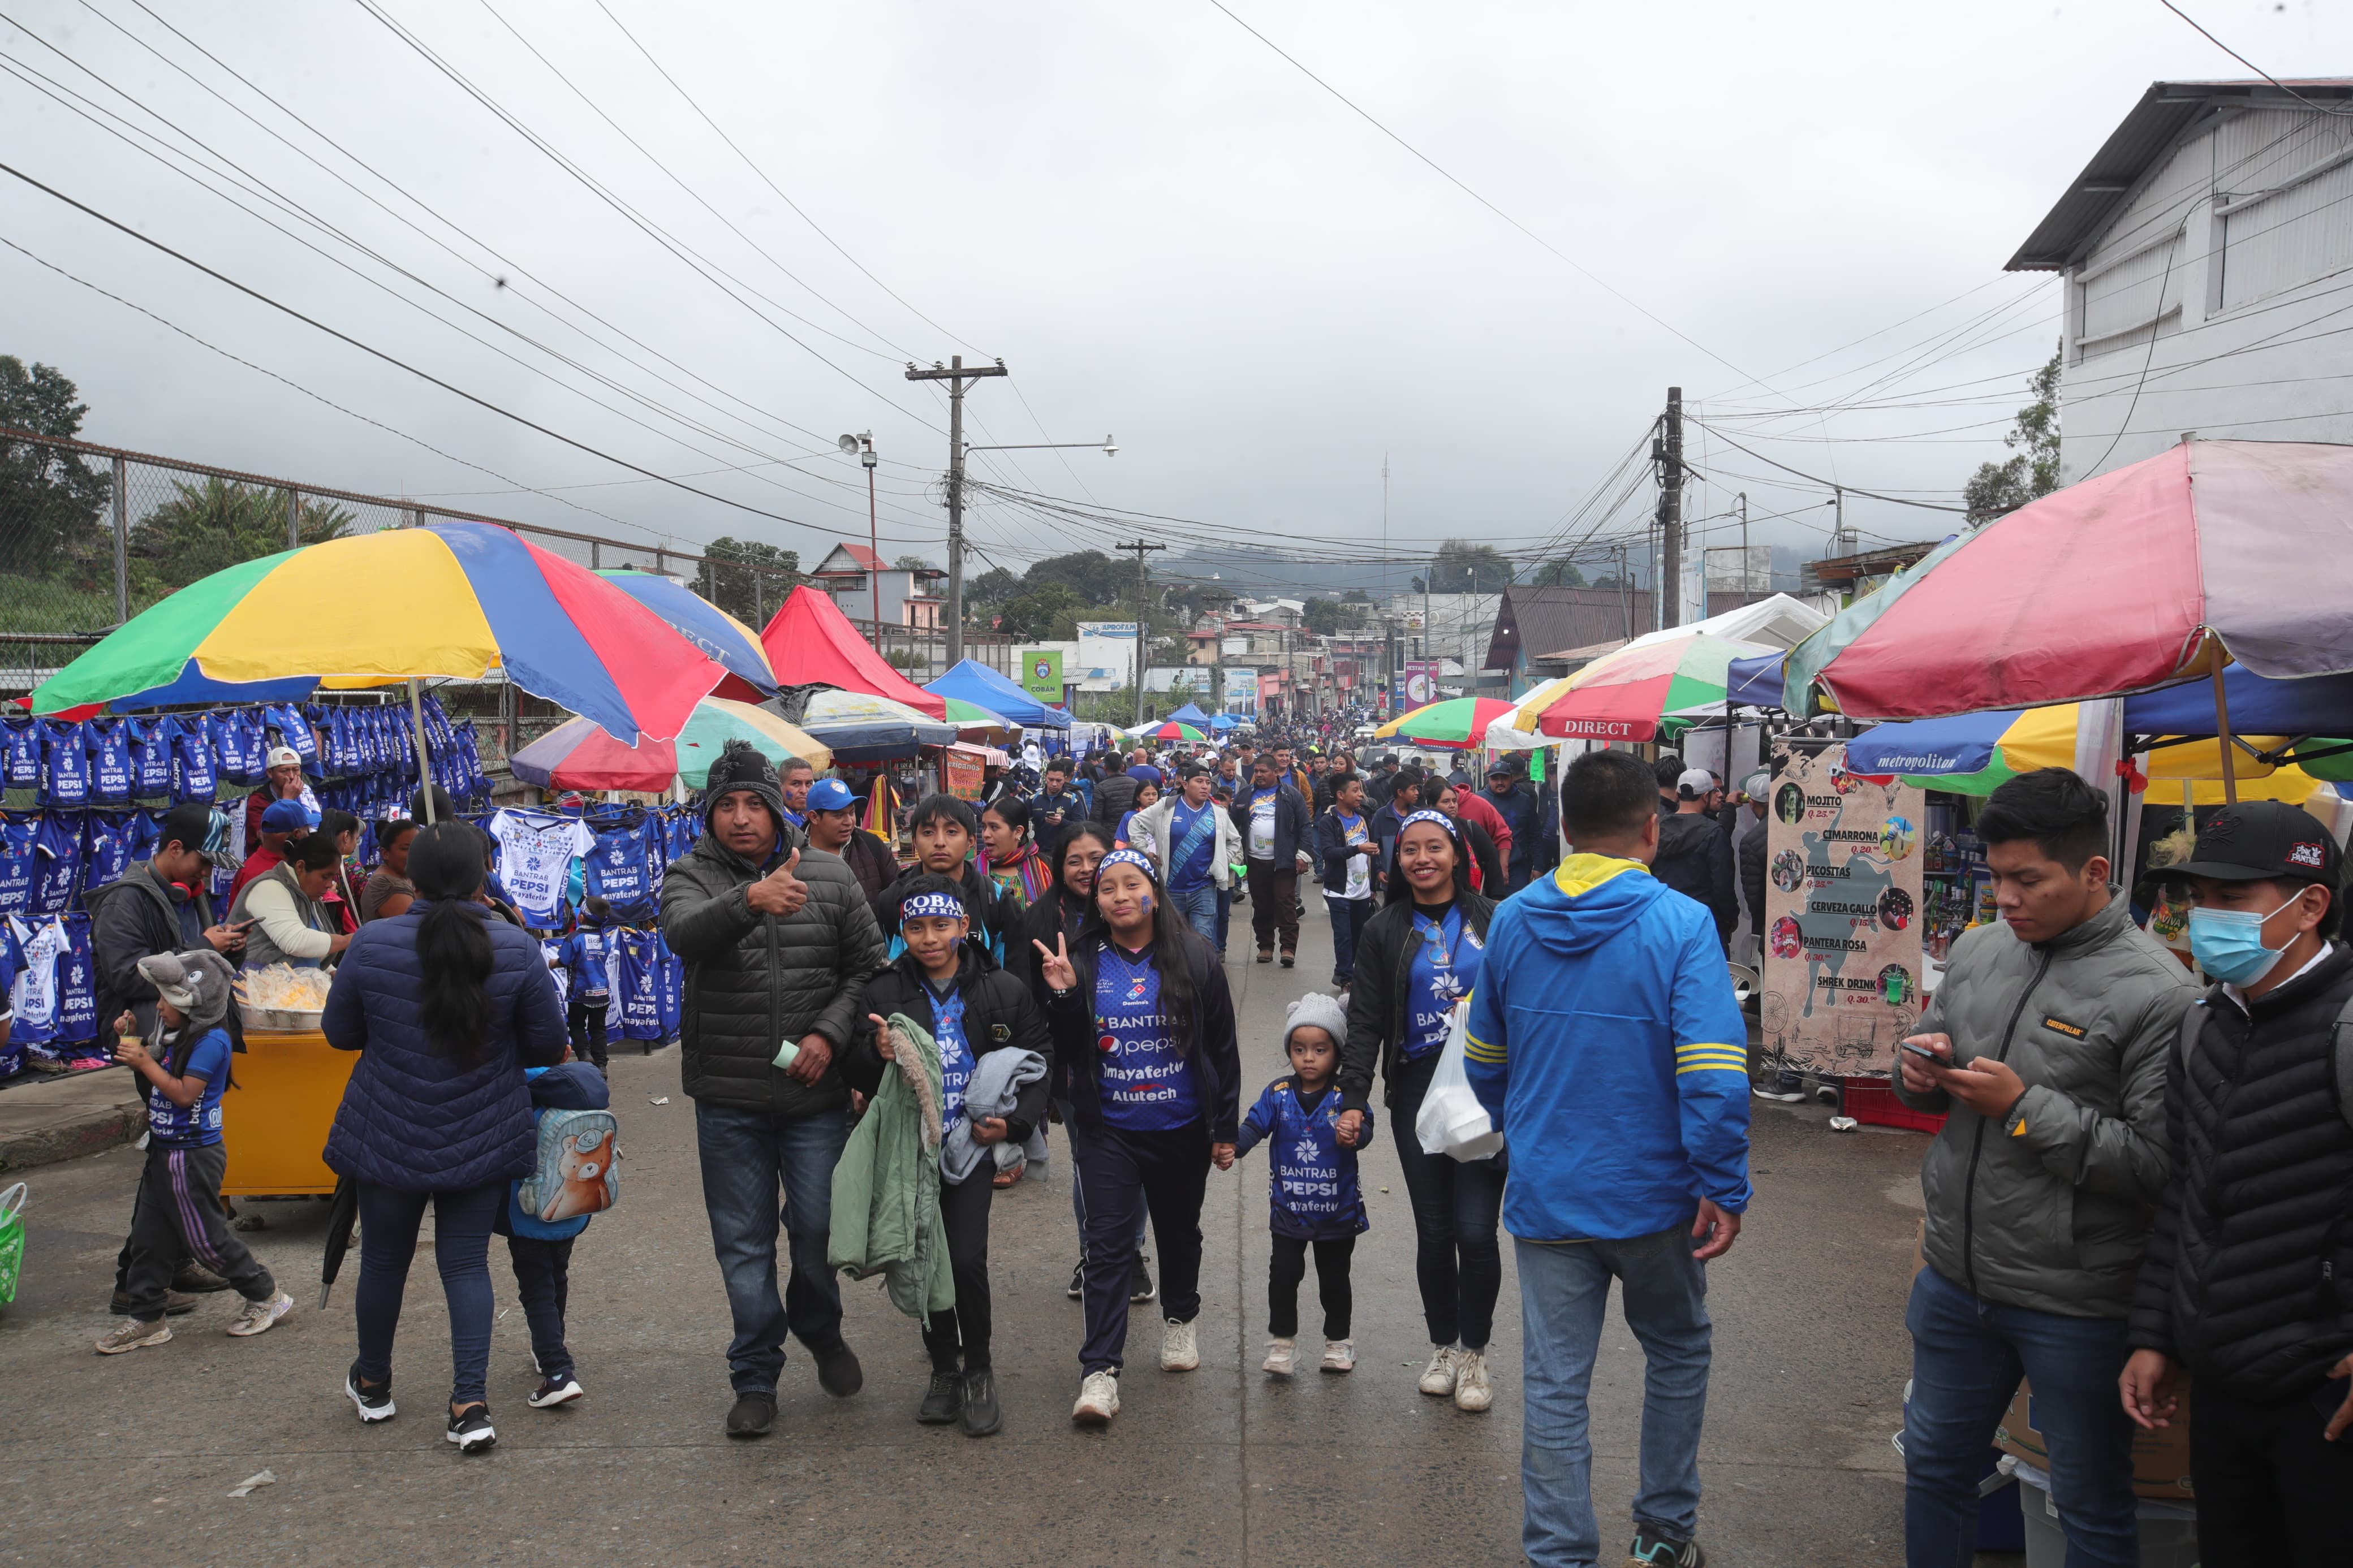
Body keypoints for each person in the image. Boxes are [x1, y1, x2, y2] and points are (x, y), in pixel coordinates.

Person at [1461, 749, 1752, 1568]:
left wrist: (1528, 1128)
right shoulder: (1682, 925)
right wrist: (1722, 1183)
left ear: (1562, 825)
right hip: (1658, 1199)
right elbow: (1715, 1078)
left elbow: (1484, 1059)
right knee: (1678, 1350)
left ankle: (1558, 1554)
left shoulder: (1513, 918)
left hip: (1550, 1192)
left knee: (1555, 1385)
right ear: (1651, 830)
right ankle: (1662, 1537)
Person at [1892, 767, 2187, 1568]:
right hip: (1956, 1278)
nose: (2008, 898)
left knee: (2089, 1501)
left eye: (2028, 879)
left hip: (2077, 1301)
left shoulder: (2162, 992)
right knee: (1935, 1465)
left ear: (2094, 874)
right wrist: (1916, 1069)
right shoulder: (1983, 947)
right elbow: (1925, 1058)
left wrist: (2023, 1109)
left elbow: (2161, 1163)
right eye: (1996, 878)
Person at [2115, 800, 2353, 1563]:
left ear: (2310, 904)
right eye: (2198, 897)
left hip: (2326, 1392)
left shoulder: (2346, 1028)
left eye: (2232, 899)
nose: (2204, 917)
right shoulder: (2205, 1025)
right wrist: (2156, 1333)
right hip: (2221, 1382)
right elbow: (2185, 1193)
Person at [661, 740, 890, 1440]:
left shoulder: (829, 875)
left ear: (776, 808)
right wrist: (748, 900)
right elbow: (681, 934)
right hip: (728, 1096)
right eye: (725, 805)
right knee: (743, 1241)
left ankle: (819, 1328)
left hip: (813, 1097)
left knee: (818, 1232)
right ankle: (755, 1372)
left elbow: (868, 967)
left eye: (751, 804)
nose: (739, 819)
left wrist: (827, 1032)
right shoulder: (691, 874)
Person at [324, 823, 572, 1454]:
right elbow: (547, 1045)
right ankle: (469, 1404)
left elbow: (340, 1033)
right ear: (483, 873)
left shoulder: (373, 942)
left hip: (387, 1131)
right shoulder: (514, 946)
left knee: (383, 1260)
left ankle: (374, 1383)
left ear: (415, 877)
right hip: (481, 1133)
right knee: (464, 1263)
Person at [1034, 849, 1242, 1426]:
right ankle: (1099, 1371)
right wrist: (1062, 996)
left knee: (1178, 1233)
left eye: (1131, 885)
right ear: (1096, 900)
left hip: (1178, 1127)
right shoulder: (1081, 957)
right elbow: (1070, 1048)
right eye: (1107, 888)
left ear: (1152, 892)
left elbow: (1221, 1049)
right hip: (1109, 1130)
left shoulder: (1195, 955)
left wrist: (1224, 1126)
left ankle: (1180, 1320)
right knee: (1107, 1245)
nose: (1119, 896)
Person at [842, 875, 1052, 1439]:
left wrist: (1014, 1124)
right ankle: (943, 1368)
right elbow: (855, 1070)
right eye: (915, 927)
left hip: (971, 1148)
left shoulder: (1003, 988)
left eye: (941, 925)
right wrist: (874, 1050)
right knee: (925, 1256)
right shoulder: (882, 991)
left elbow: (1038, 1055)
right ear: (901, 932)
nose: (929, 938)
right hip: (911, 1149)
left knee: (963, 1260)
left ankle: (978, 1368)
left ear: (964, 927)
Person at [1337, 809, 1506, 1414]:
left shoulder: (1496, 918)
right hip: (1416, 1091)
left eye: (1434, 847)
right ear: (1396, 859)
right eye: (1410, 849)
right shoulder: (1383, 929)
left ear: (1456, 854)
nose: (1421, 859)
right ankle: (1444, 1347)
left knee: (1474, 1230)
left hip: (1486, 1092)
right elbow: (1364, 1021)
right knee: (1434, 1230)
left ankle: (1476, 1354)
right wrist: (1352, 1095)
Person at [94, 950, 295, 1354]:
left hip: (192, 1155)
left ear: (193, 1004)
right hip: (164, 1150)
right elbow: (154, 1067)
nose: (160, 1006)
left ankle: (266, 1294)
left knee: (205, 1239)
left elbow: (184, 1093)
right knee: (148, 1240)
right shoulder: (176, 1033)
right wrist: (131, 1038)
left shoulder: (213, 1042)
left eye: (166, 1000)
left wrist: (143, 1063)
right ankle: (148, 1317)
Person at [1018, 823, 1155, 1304]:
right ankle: (1094, 1252)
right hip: (1072, 1067)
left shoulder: (1134, 912)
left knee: (1134, 1161)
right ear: (1059, 867)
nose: (1086, 869)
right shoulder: (1038, 918)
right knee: (1089, 1164)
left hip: (1136, 1064)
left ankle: (1132, 1252)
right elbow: (1027, 1000)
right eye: (1074, 860)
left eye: (1095, 857)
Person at [1229, 992, 1368, 1378]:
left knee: (1334, 1279)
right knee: (1284, 1275)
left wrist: (1354, 1132)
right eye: (1299, 1048)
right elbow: (1254, 1125)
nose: (1309, 1057)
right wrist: (1231, 1146)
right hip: (1289, 1210)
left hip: (1337, 1212)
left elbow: (1366, 1128)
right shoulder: (1278, 1094)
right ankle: (1282, 1342)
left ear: (1337, 1053)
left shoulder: (1345, 1097)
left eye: (1320, 1049)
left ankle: (1339, 1341)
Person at [494, 1053, 611, 1411]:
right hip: (572, 1213)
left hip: (527, 1214)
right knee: (557, 1276)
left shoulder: (514, 1091)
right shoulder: (579, 1091)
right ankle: (551, 1343)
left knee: (536, 1289)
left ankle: (557, 1371)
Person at [874, 794, 1028, 987]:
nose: (940, 842)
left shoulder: (997, 901)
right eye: (928, 832)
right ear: (914, 841)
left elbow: (1016, 983)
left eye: (952, 832)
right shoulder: (891, 901)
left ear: (971, 841)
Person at [1127, 763, 1238, 950]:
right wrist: (1145, 852)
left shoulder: (1218, 812)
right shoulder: (1166, 806)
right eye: (1199, 781)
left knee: (1202, 942)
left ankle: (1201, 978)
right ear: (1185, 785)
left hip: (1204, 888)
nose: (1205, 786)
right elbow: (1136, 824)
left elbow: (1234, 841)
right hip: (1171, 889)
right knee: (1174, 942)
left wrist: (1221, 860)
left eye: (1208, 783)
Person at [227, 830, 351, 972]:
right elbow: (295, 942)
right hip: (257, 987)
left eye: (332, 878)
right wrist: (348, 940)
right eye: (325, 877)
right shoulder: (268, 888)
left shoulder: (309, 895)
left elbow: (312, 947)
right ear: (300, 867)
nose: (330, 884)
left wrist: (330, 971)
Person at [1232, 755, 1312, 967]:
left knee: (1285, 904)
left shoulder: (1291, 796)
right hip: (1256, 861)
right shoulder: (1245, 795)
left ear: (1275, 772)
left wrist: (1303, 855)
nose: (1258, 775)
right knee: (1262, 905)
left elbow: (1305, 826)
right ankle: (1265, 946)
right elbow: (1233, 825)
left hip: (1284, 861)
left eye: (1263, 771)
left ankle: (1288, 948)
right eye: (1256, 771)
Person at [1652, 768, 1738, 950]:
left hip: (1663, 922)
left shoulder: (1657, 829)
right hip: (1705, 924)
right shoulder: (1714, 833)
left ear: (1677, 794)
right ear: (1706, 796)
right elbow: (1723, 884)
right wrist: (1731, 917)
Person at [1315, 772, 1380, 987]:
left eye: (1361, 790)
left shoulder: (1363, 818)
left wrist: (1373, 882)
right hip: (1339, 891)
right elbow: (1329, 853)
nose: (1361, 795)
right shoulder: (1328, 821)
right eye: (1356, 790)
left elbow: (1371, 851)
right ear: (1340, 795)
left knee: (1359, 936)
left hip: (1362, 889)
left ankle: (1345, 970)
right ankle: (1346, 978)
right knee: (1344, 937)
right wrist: (1357, 848)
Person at [802, 778, 897, 904]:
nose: (849, 822)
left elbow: (898, 893)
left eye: (851, 813)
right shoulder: (791, 851)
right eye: (839, 815)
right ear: (814, 817)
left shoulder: (871, 846)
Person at [241, 744, 317, 861]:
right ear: (270, 773)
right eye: (284, 771)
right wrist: (288, 800)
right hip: (269, 863)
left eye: (296, 770)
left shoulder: (305, 793)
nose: (292, 776)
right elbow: (269, 839)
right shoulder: (258, 800)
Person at [1432, 781, 1507, 897]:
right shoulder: (1426, 831)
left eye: (1454, 801)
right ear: (1432, 806)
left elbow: (1492, 860)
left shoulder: (1470, 827)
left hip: (1470, 896)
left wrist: (1497, 897)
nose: (1452, 805)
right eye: (1446, 801)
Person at [229, 797, 313, 902]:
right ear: (297, 834)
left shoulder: (252, 867)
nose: (308, 835)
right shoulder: (264, 877)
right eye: (307, 830)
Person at [1481, 761, 1542, 894]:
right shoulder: (1479, 801)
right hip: (1487, 866)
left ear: (1511, 778)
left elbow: (1535, 834)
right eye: (1495, 779)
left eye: (1504, 778)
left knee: (1515, 906)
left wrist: (1538, 865)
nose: (1500, 782)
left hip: (1518, 865)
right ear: (1488, 779)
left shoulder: (1524, 800)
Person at [981, 797, 1054, 906]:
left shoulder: (1048, 867)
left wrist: (1038, 917)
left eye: (994, 827)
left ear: (1018, 832)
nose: (986, 834)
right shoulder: (970, 870)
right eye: (984, 827)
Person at [1031, 758, 1091, 867]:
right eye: (1051, 780)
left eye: (1058, 781)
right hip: (1038, 855)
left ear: (1065, 779)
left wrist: (1062, 822)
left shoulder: (1073, 800)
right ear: (1046, 778)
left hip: (1064, 855)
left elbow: (1082, 827)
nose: (1054, 784)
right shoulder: (1034, 799)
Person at [362, 817, 419, 923]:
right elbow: (411, 929)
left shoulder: (404, 876)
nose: (415, 853)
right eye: (405, 849)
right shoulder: (387, 885)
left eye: (417, 847)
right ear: (385, 854)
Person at [1115, 779, 1159, 850]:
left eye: (1154, 794)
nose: (1151, 798)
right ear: (1138, 798)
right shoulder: (1129, 816)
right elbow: (1119, 844)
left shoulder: (1164, 814)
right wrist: (1127, 847)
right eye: (1147, 795)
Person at [777, 759, 816, 832]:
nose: (804, 791)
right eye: (796, 784)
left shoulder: (801, 814)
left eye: (808, 784)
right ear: (780, 786)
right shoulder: (783, 821)